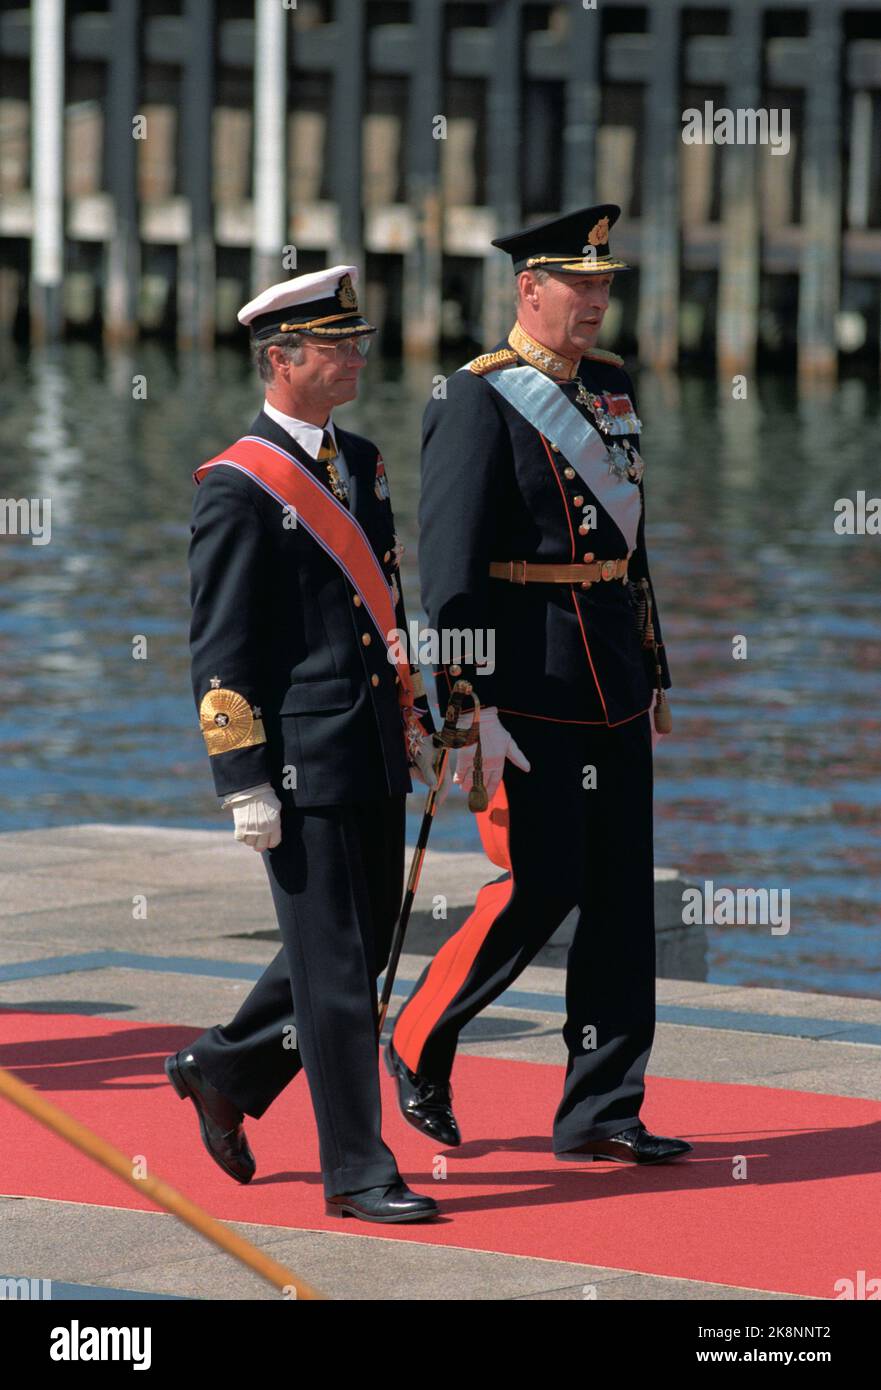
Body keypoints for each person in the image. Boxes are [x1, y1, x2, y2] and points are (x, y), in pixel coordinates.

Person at [386, 206, 693, 1166]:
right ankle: (416, 1033)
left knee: (618, 899)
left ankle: (603, 1108)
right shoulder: (476, 398)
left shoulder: (606, 386)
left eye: (604, 285)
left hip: (609, 676)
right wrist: (462, 703)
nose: (597, 301)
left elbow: (627, 548)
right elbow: (450, 565)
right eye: (580, 285)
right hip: (527, 680)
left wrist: (652, 665)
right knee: (540, 881)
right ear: (529, 289)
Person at [167, 265, 444, 1222]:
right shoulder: (237, 487)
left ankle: (223, 1066)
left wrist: (415, 720)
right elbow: (221, 648)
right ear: (282, 359)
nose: (357, 356)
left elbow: (385, 607)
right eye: (338, 345)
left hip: (368, 744)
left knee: (350, 951)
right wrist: (241, 777)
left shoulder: (359, 461)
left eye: (356, 341)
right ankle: (359, 1171)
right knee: (332, 976)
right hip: (299, 762)